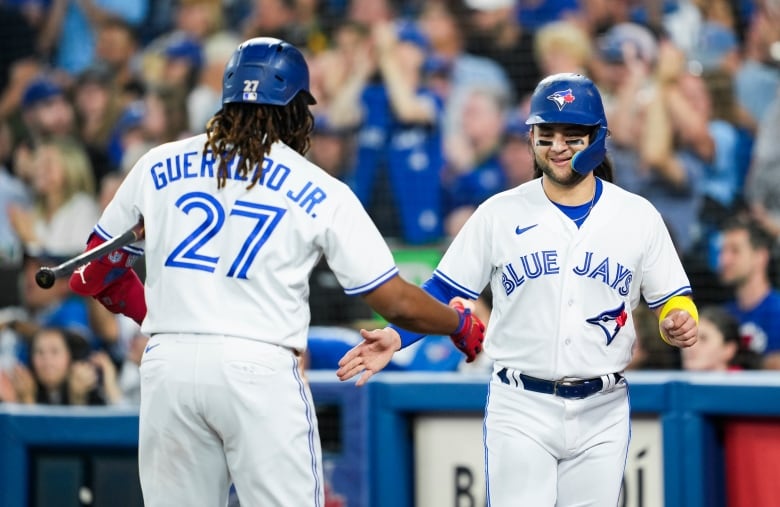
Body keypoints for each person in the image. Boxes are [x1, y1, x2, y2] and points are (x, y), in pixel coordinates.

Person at [67, 37, 485, 507]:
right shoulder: (319, 187)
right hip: (258, 369)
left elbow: (93, 274)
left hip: (168, 368)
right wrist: (458, 323)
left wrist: (159, 316)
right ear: (293, 110)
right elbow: (394, 302)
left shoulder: (157, 162)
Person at [337, 72, 699, 506]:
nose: (558, 147)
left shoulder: (637, 216)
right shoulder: (500, 213)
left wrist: (680, 320)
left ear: (597, 136)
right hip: (522, 404)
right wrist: (396, 337)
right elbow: (443, 287)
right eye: (546, 135)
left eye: (571, 135)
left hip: (603, 405)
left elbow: (673, 298)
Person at [716, 214, 780, 368]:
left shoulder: (777, 311)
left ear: (761, 257)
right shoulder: (723, 315)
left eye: (735, 251)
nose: (724, 260)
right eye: (722, 251)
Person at [682, 305, 762, 371]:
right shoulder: (675, 387)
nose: (691, 346)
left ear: (729, 349)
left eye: (704, 339)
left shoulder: (744, 388)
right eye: (689, 337)